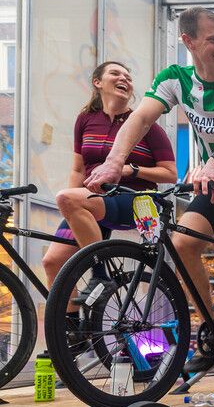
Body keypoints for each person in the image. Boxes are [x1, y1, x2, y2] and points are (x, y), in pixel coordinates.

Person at [84, 7, 214, 372]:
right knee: (183, 245)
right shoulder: (175, 79)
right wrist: (113, 161)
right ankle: (211, 331)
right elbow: (141, 118)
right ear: (188, 41)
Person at [41, 61, 177, 306]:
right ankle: (73, 336)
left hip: (134, 199)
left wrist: (130, 169)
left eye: (128, 75)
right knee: (53, 262)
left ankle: (101, 275)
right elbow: (78, 168)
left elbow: (170, 173)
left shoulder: (144, 124)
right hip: (93, 200)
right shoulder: (85, 120)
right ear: (98, 82)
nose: (123, 78)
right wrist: (76, 198)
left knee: (66, 198)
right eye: (115, 73)